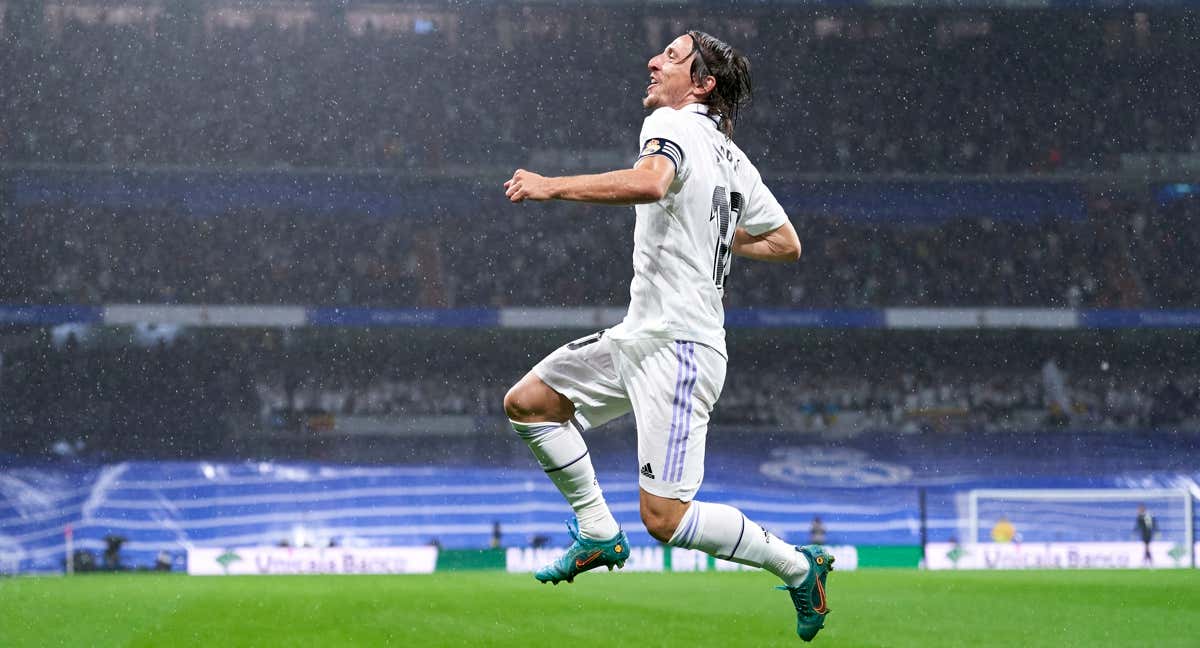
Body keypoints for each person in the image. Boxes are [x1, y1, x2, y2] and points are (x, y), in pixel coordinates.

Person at [503, 31, 832, 642]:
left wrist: (550, 185)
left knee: (665, 519)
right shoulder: (734, 159)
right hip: (643, 336)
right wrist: (714, 230)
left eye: (673, 57)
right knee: (530, 404)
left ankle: (797, 566)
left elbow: (652, 182)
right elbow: (787, 243)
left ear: (701, 85)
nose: (654, 62)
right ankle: (598, 531)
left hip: (679, 346)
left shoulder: (673, 123)